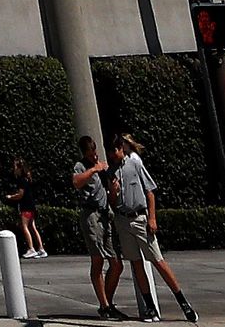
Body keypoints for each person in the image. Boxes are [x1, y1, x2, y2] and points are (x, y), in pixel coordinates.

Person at [113, 134, 195, 324]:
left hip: (140, 217)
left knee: (158, 260)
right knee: (136, 262)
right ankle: (150, 307)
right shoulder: (112, 171)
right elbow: (112, 201)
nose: (113, 155)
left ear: (121, 149)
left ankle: (183, 302)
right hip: (123, 219)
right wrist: (113, 191)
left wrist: (152, 217)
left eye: (115, 151)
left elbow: (150, 191)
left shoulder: (134, 163)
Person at [71, 136, 126, 320]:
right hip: (91, 216)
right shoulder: (81, 166)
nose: (94, 156)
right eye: (90, 153)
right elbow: (76, 182)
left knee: (116, 263)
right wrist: (94, 169)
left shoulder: (103, 168)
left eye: (95, 152)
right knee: (98, 260)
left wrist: (114, 191)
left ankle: (107, 302)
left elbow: (109, 194)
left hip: (105, 215)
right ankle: (104, 305)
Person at [6, 154, 48, 259]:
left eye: (15, 167)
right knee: (33, 227)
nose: (14, 169)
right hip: (31, 205)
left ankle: (31, 248)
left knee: (24, 226)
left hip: (26, 206)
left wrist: (11, 197)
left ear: (20, 168)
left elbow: (20, 194)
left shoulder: (21, 180)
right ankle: (41, 249)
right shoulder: (28, 179)